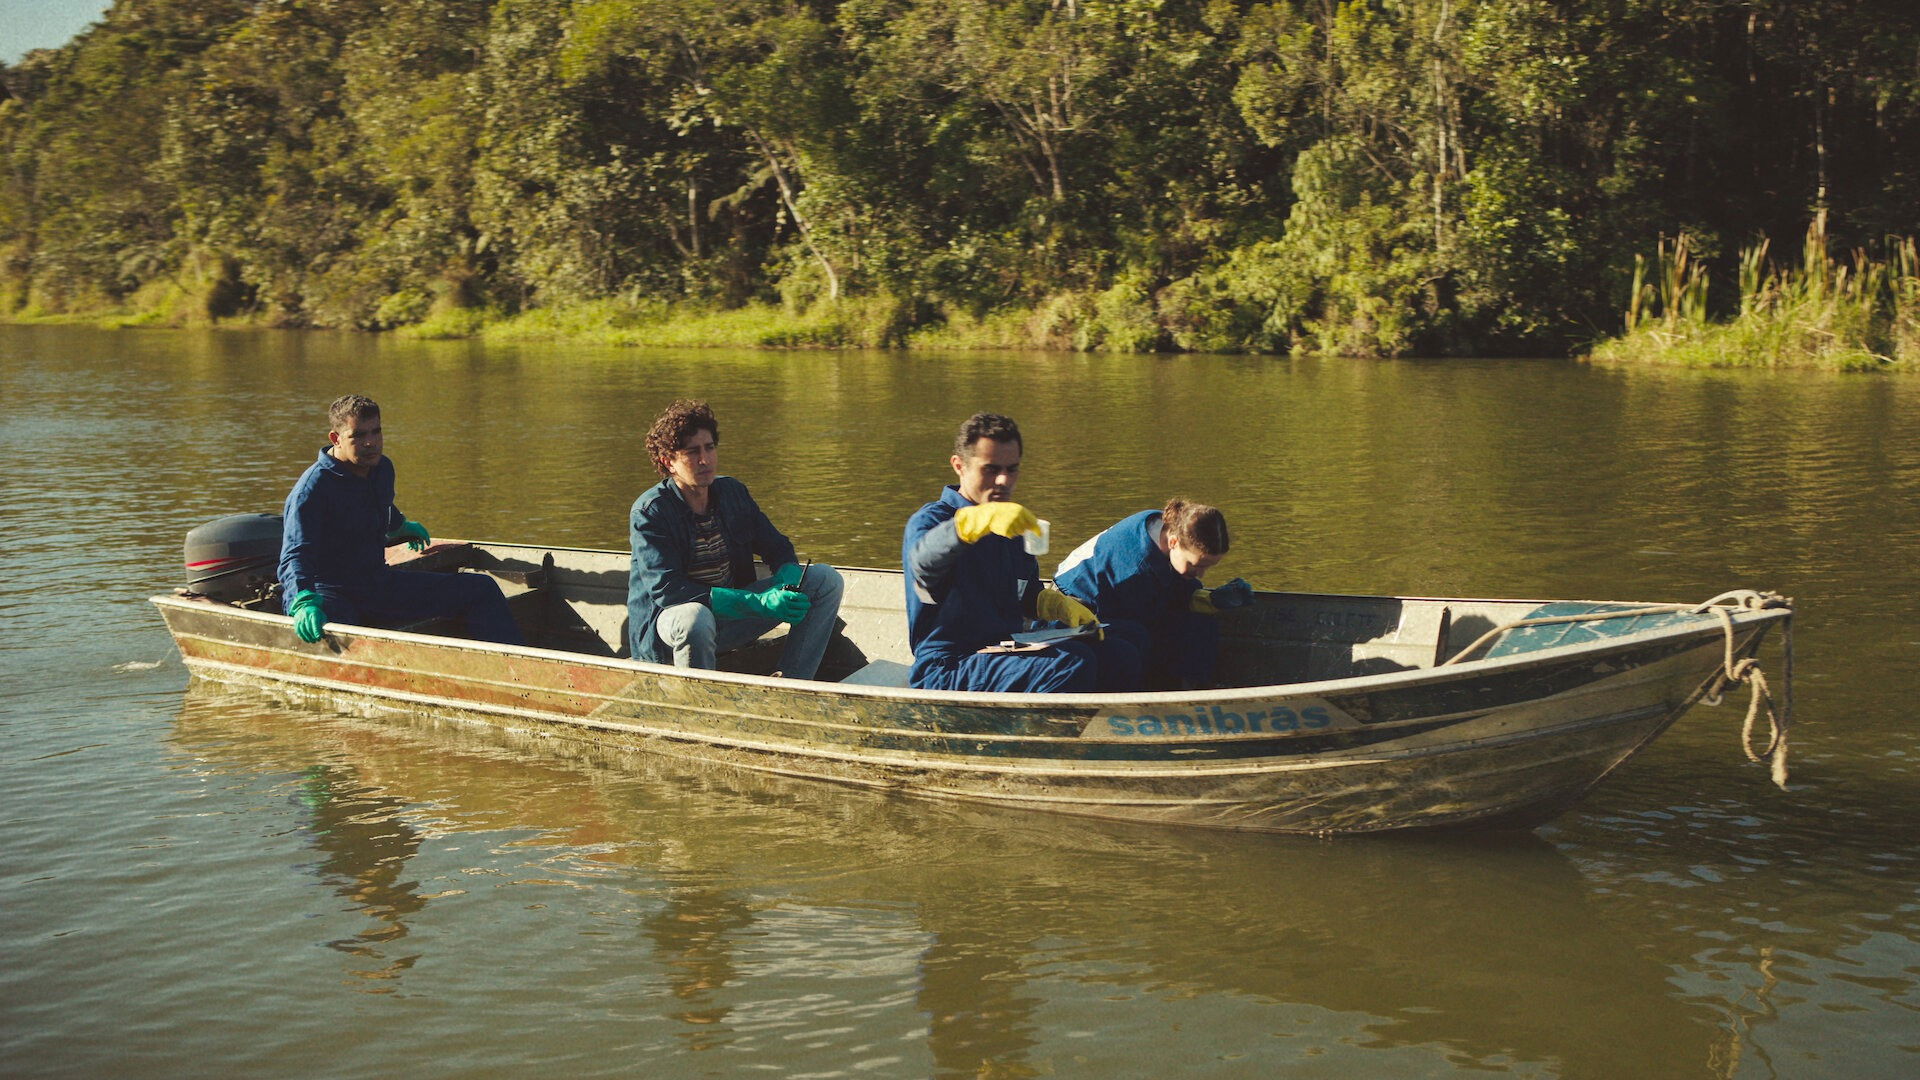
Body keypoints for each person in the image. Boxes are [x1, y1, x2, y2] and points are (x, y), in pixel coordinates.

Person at [902, 413, 1140, 693]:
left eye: (1012, 469)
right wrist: (969, 524)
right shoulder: (932, 521)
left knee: (1122, 644)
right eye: (990, 469)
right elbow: (923, 561)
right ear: (959, 466)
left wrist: (1051, 605)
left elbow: (1023, 597)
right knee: (1073, 663)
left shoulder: (1012, 526)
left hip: (1004, 650)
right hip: (948, 665)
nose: (1003, 480)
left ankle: (1112, 731)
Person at [278, 395, 522, 645]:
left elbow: (379, 504)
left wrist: (399, 525)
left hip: (377, 583)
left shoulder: (381, 468)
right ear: (336, 438)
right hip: (329, 590)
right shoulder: (311, 490)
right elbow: (295, 553)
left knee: (481, 588)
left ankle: (516, 667)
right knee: (345, 634)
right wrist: (303, 600)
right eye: (358, 435)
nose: (371, 442)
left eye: (376, 432)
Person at [626, 399, 845, 679]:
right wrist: (760, 603)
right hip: (671, 633)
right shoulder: (650, 512)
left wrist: (787, 580)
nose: (705, 460)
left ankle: (794, 684)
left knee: (825, 580)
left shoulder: (732, 493)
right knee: (696, 617)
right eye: (692, 452)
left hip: (730, 621)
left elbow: (776, 547)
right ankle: (697, 703)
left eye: (710, 448)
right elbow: (669, 590)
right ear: (669, 462)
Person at [1053, 499, 1253, 690]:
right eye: (1195, 565)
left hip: (1122, 601)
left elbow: (1170, 588)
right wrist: (1194, 600)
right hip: (1069, 614)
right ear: (1174, 542)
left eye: (1207, 567)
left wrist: (1210, 600)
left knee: (1202, 623)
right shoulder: (1137, 568)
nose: (1200, 574)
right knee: (1136, 640)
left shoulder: (1166, 524)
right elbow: (1156, 611)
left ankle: (1194, 690)